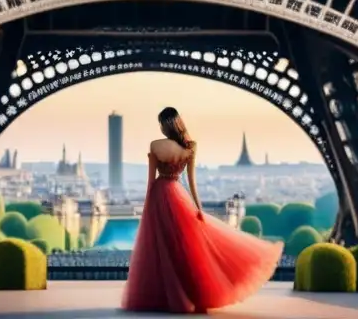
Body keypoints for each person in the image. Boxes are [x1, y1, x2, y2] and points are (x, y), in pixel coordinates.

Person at [121, 107, 283, 314]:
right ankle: (192, 293)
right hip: (178, 195)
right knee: (183, 248)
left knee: (160, 247)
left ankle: (165, 296)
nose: (160, 127)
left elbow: (150, 181)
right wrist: (198, 208)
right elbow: (191, 181)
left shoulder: (156, 145)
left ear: (165, 125)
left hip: (159, 195)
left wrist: (147, 205)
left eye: (161, 123)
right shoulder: (190, 146)